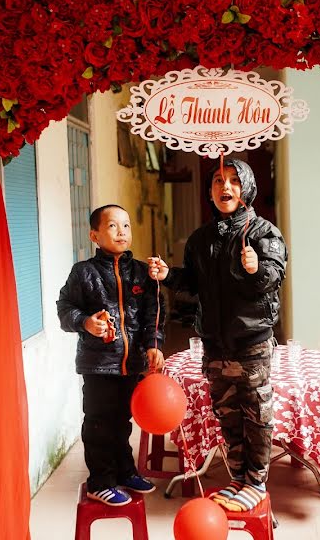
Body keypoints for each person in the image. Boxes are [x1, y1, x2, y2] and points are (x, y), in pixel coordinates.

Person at [148, 158, 288, 512]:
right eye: (217, 181)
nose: (225, 188)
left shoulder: (264, 232)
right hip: (213, 343)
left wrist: (256, 268)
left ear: (247, 188)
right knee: (227, 413)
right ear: (210, 192)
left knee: (256, 412)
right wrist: (168, 275)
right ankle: (238, 477)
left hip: (251, 342)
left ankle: (256, 482)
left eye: (233, 181)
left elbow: (272, 278)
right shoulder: (200, 239)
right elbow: (192, 285)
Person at [57, 204, 165, 506]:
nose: (122, 232)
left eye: (126, 226)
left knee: (122, 422)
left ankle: (125, 471)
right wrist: (86, 322)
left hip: (131, 364)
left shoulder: (143, 273)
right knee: (99, 423)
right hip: (98, 365)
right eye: (113, 226)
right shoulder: (84, 273)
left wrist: (153, 344)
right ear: (94, 235)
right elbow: (65, 309)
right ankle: (100, 481)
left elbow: (153, 313)